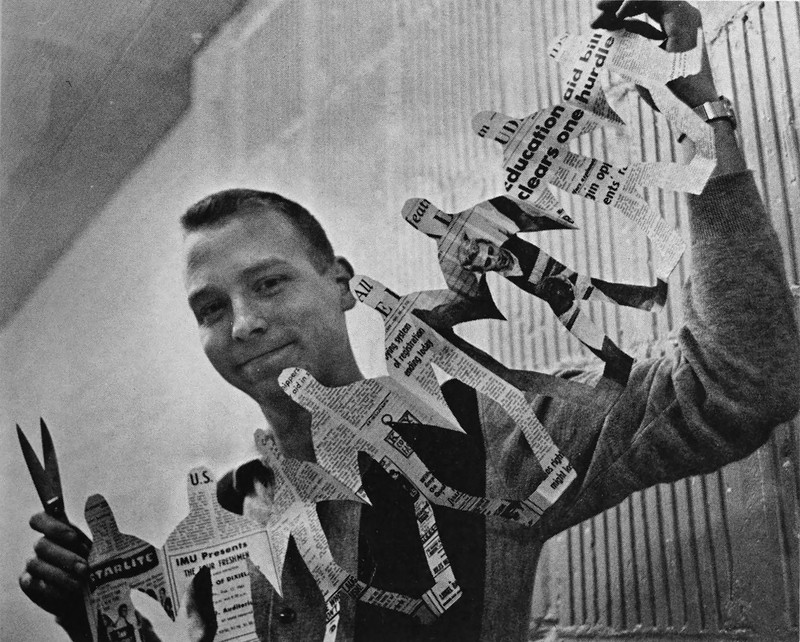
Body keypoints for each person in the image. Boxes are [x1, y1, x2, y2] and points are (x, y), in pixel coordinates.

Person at [19, 2, 800, 641]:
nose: (245, 323)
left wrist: (697, 117)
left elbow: (739, 382)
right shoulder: (227, 514)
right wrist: (94, 617)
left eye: (269, 282)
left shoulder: (483, 438)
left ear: (341, 285)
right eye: (211, 308)